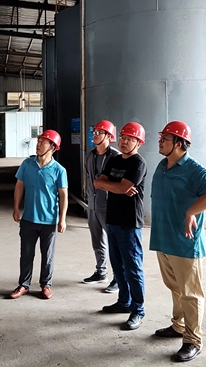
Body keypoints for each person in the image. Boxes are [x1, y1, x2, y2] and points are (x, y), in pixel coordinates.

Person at [149, 121, 206, 363]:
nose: (160, 142)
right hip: (163, 238)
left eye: (165, 138)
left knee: (191, 293)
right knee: (175, 287)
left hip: (184, 242)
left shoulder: (195, 170)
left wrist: (191, 211)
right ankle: (178, 325)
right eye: (161, 137)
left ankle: (193, 340)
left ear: (179, 143)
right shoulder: (163, 165)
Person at [94, 122, 148, 331]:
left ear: (139, 143)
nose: (124, 142)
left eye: (130, 139)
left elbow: (123, 186)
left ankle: (138, 310)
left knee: (133, 268)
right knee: (118, 265)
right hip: (113, 220)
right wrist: (116, 187)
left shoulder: (138, 163)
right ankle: (124, 302)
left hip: (130, 223)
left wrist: (117, 186)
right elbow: (98, 182)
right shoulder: (115, 159)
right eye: (123, 138)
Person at [9, 130, 68, 300]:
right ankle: (24, 285)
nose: (38, 144)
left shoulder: (59, 170)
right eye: (39, 141)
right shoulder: (27, 164)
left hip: (49, 220)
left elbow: (63, 195)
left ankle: (46, 285)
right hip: (29, 218)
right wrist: (16, 208)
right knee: (26, 254)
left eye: (43, 142)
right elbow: (19, 186)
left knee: (48, 255)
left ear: (52, 147)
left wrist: (62, 219)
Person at [83, 119, 120, 293]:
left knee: (114, 242)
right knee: (97, 240)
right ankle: (101, 272)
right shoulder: (90, 155)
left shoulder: (116, 157)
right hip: (92, 204)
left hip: (109, 206)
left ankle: (118, 278)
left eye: (99, 133)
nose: (95, 135)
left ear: (108, 136)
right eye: (94, 132)